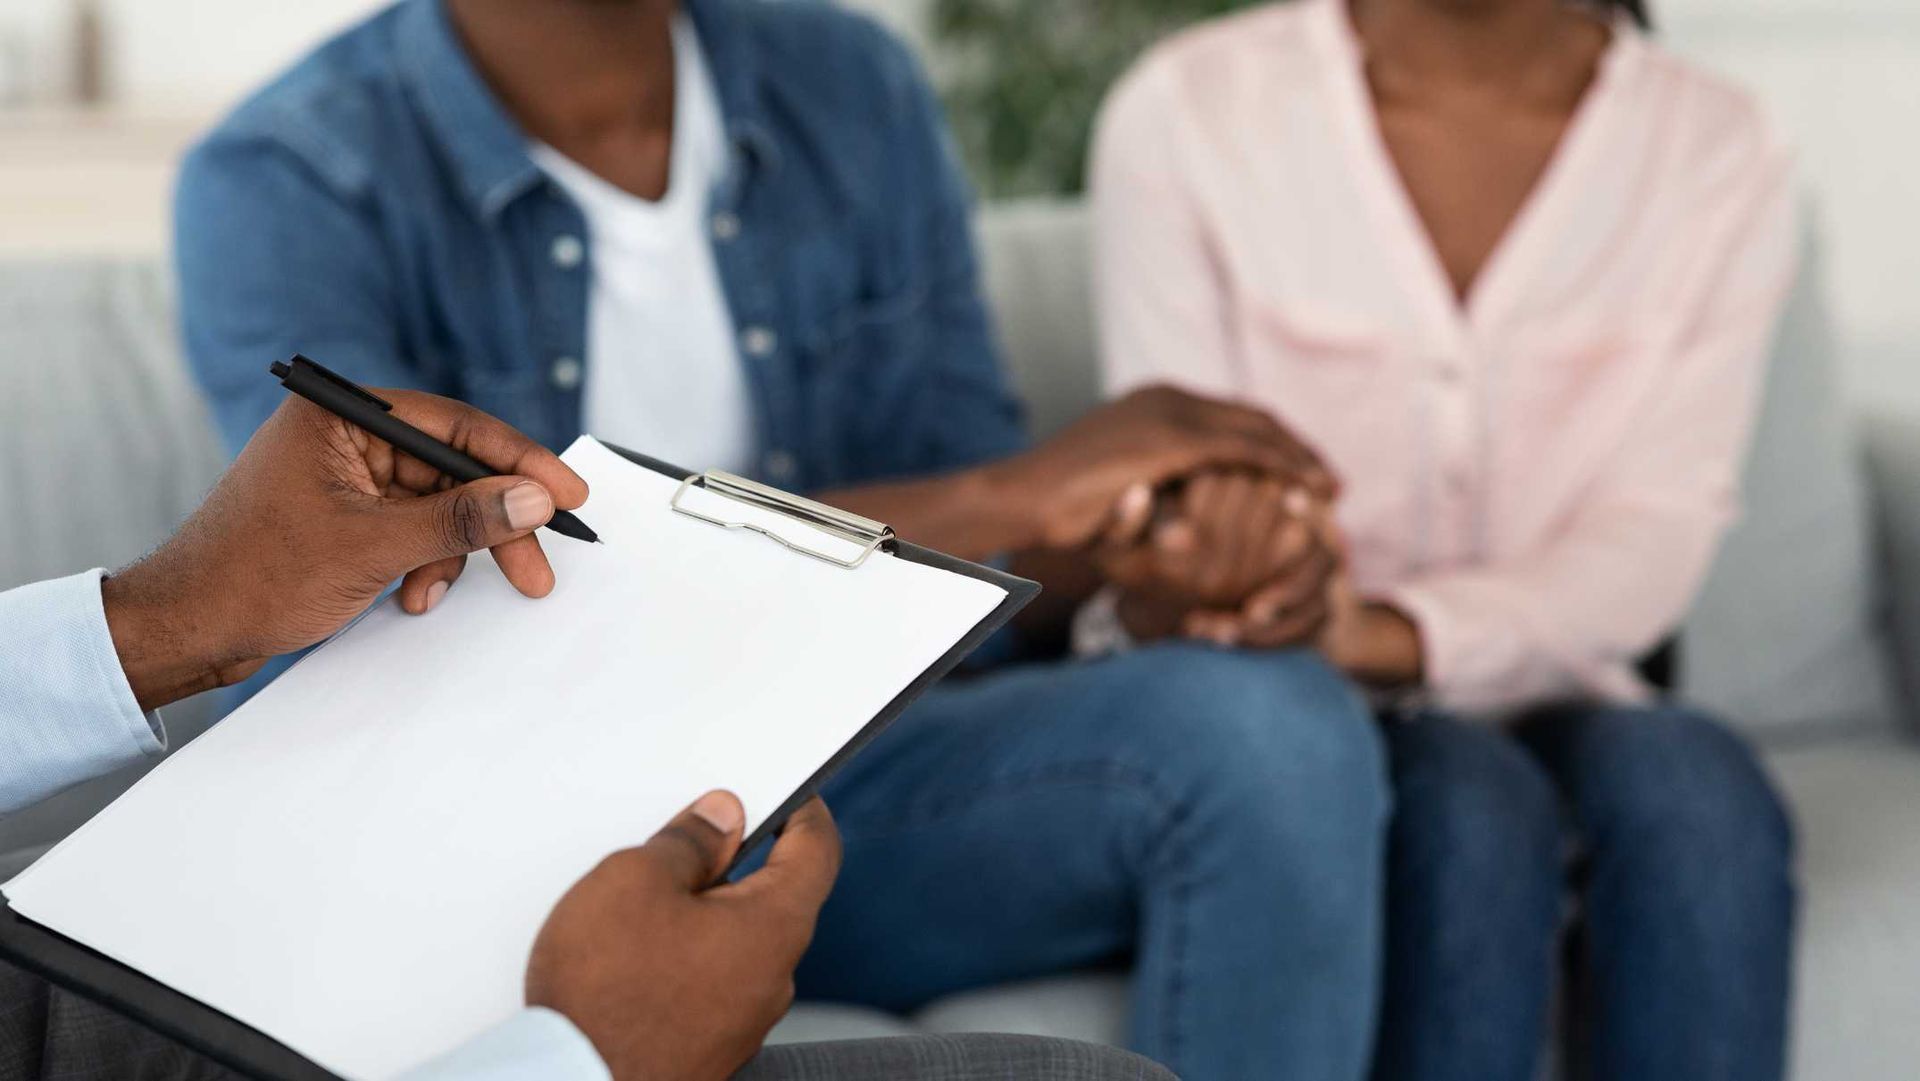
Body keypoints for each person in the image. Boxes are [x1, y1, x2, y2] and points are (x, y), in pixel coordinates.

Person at [173, 1, 1391, 1078]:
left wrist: (1152, 553)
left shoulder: (849, 86)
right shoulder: (287, 178)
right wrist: (1019, 492)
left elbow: (988, 550)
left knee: (1270, 726)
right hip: (518, 834)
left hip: (842, 780)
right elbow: (431, 605)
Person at [0, 388, 1174, 1081]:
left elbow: (972, 430)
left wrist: (162, 619)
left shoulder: (841, 92)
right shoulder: (300, 165)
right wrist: (581, 1058)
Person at [1089, 0, 1798, 1079]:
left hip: (1565, 677)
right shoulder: (1191, 111)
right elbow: (1179, 476)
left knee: (1703, 796)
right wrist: (1246, 573)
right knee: (1469, 811)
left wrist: (1383, 630)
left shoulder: (1719, 147)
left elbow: (1655, 534)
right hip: (1302, 703)